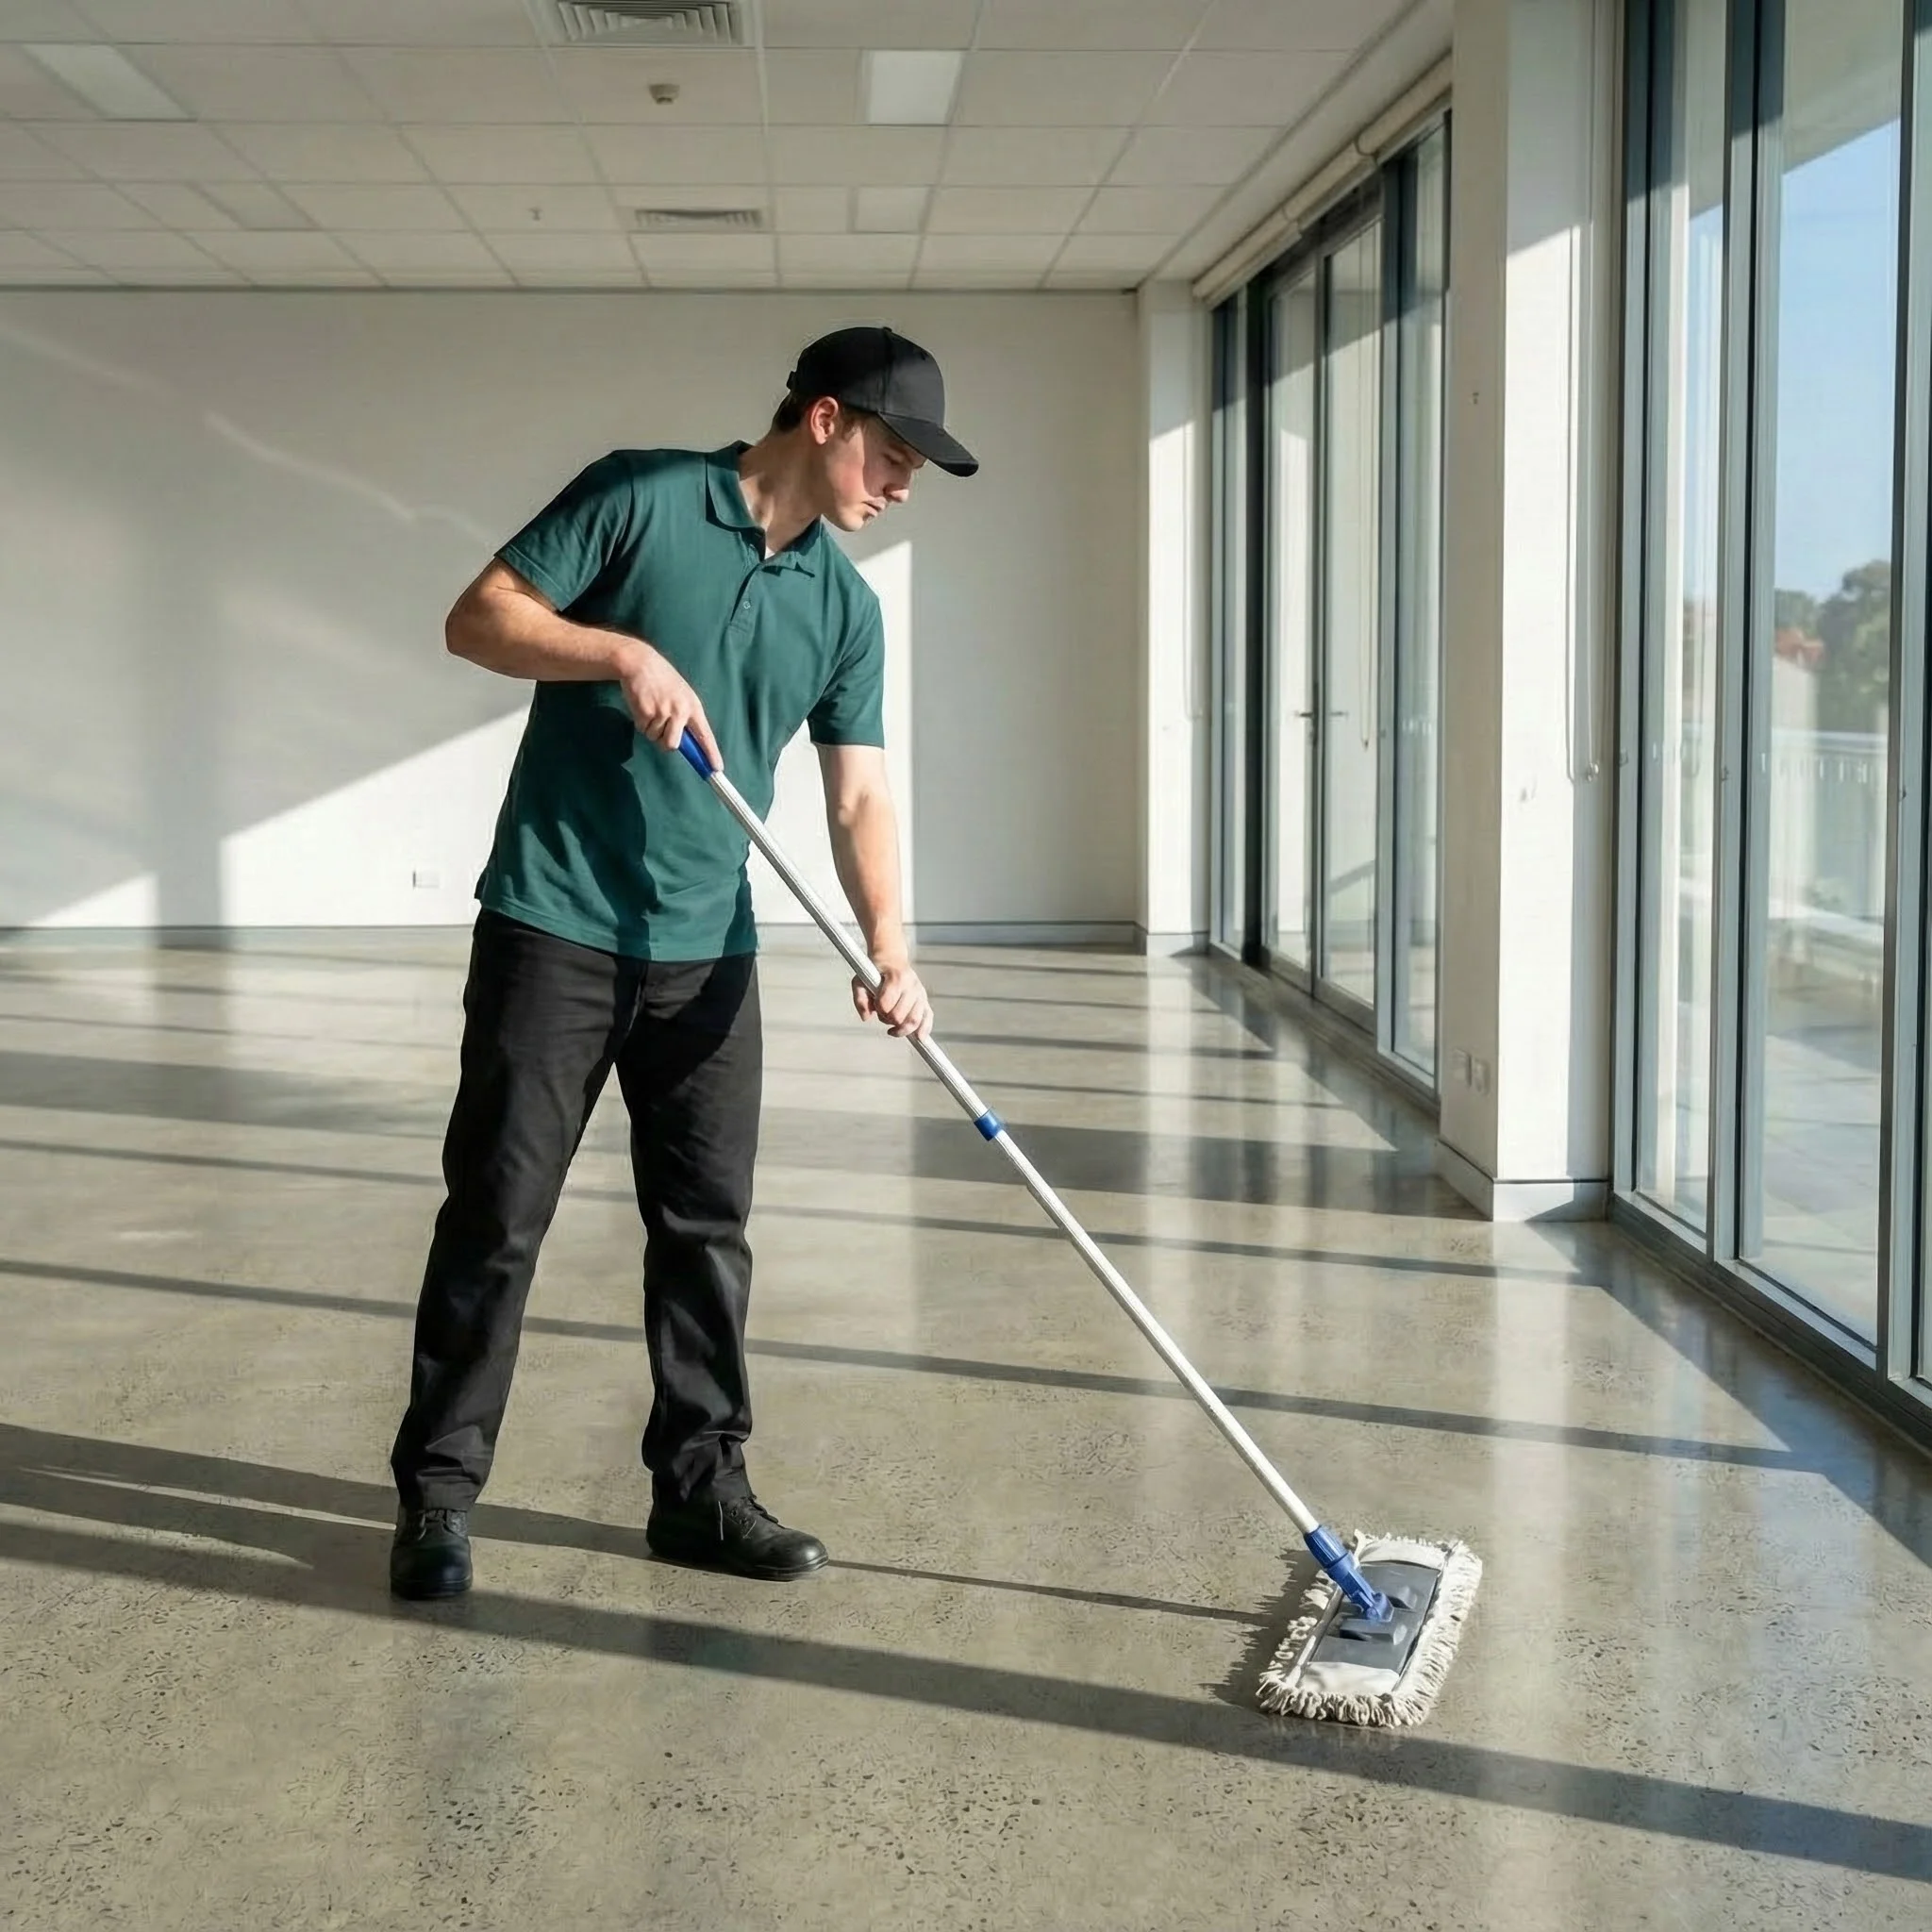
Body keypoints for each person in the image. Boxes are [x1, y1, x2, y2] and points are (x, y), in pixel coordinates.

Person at [388, 327, 977, 1600]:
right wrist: (618, 651)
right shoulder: (643, 497)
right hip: (554, 928)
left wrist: (891, 946)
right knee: (496, 1218)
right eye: (895, 451)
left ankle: (701, 1492)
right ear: (825, 419)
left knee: (706, 1234)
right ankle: (437, 1498)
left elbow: (861, 797)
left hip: (707, 952)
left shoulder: (844, 607)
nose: (904, 485)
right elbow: (477, 618)